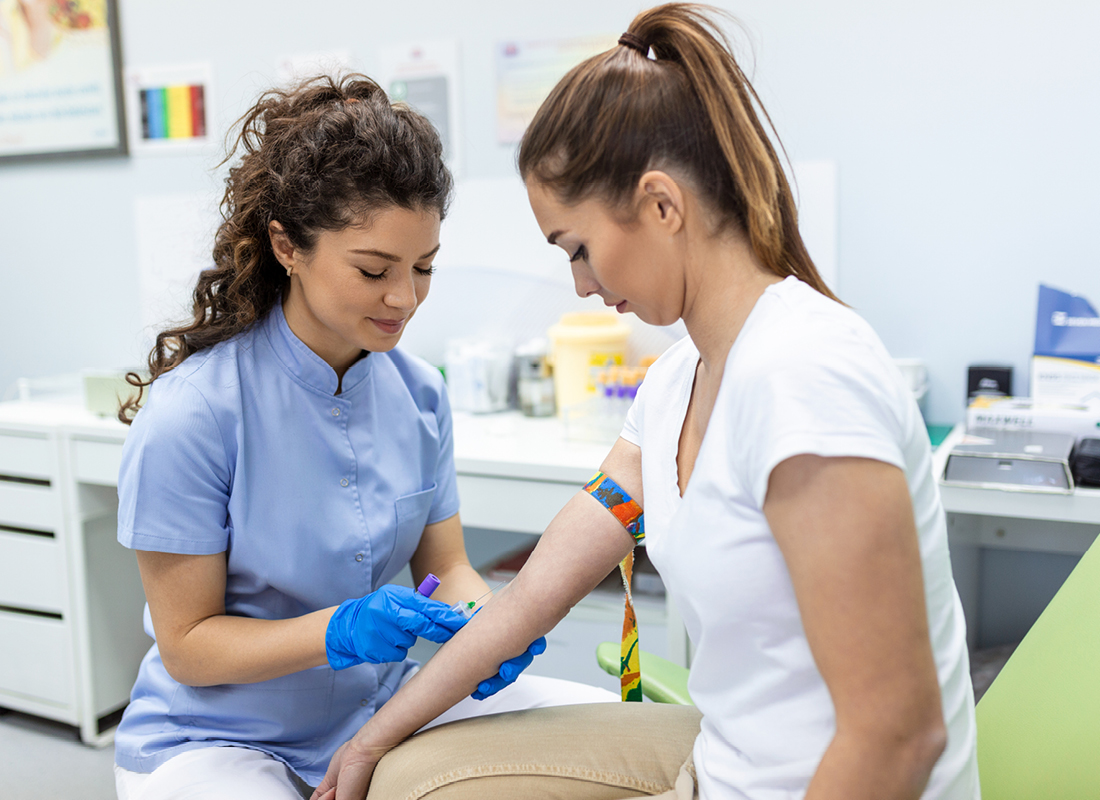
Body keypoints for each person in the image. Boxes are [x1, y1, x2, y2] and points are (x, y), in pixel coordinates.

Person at [311, 5, 980, 800]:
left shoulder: (804, 379)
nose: (582, 286)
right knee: (398, 775)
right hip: (720, 770)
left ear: (663, 205)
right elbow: (530, 597)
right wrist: (369, 741)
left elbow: (900, 737)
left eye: (580, 249)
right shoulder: (676, 384)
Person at [111, 73, 615, 800]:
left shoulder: (420, 395)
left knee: (602, 735)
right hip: (214, 742)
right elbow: (188, 647)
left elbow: (450, 565)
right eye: (374, 270)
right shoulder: (194, 413)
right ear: (287, 245)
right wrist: (338, 631)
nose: (404, 299)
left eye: (424, 268)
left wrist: (484, 626)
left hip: (378, 714)